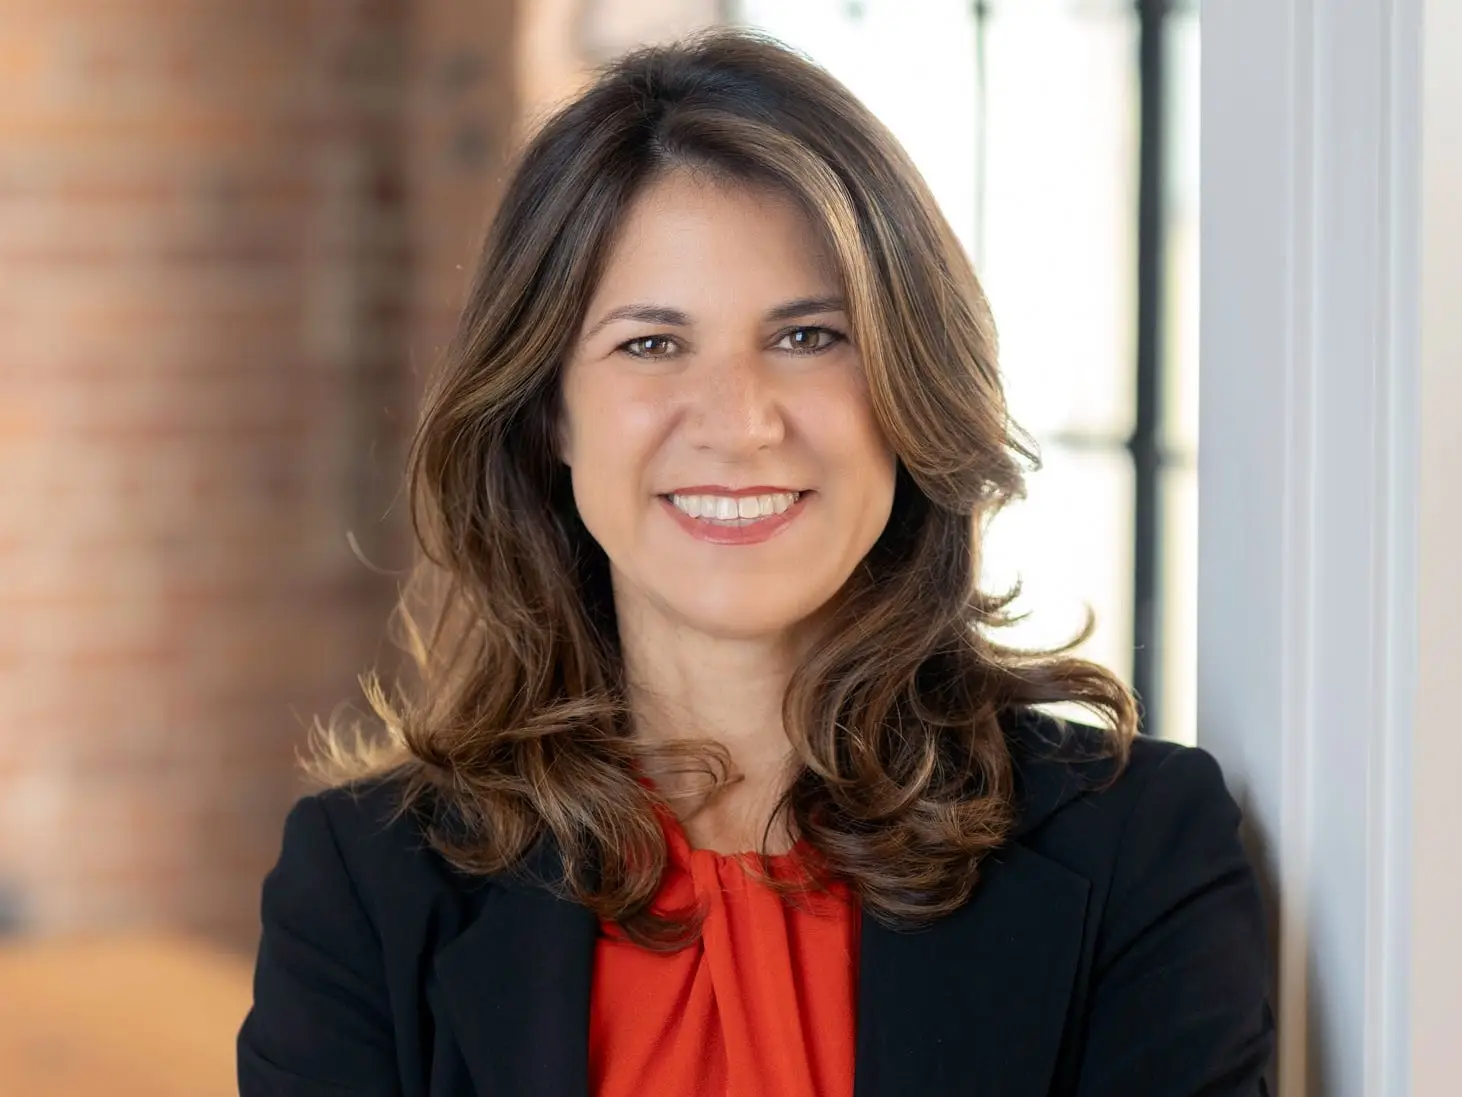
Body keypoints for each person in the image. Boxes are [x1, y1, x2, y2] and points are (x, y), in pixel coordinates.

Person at [237, 29, 1274, 1097]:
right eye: (651, 343)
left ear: (909, 384)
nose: (738, 423)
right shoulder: (362, 884)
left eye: (807, 337)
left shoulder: (1138, 847)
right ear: (548, 409)